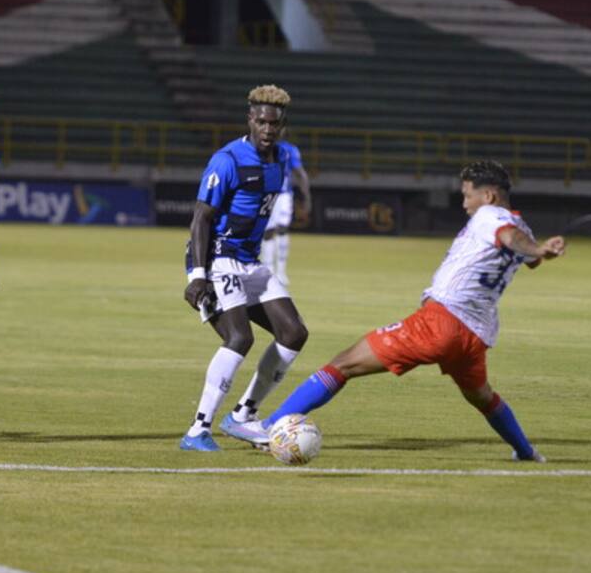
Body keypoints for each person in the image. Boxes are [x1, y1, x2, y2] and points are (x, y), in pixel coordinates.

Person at [224, 160, 566, 461]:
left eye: (467, 195)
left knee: (343, 364)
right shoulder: (522, 227)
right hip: (476, 335)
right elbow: (528, 254)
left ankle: (268, 428)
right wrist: (541, 249)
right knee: (483, 396)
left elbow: (509, 238)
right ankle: (526, 451)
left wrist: (535, 248)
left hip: (441, 322)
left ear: (489, 196)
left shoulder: (492, 217)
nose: (464, 204)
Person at [181, 84, 309, 451]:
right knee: (239, 338)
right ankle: (197, 431)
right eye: (262, 122)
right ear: (249, 120)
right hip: (218, 258)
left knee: (294, 333)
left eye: (275, 124)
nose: (268, 130)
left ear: (283, 125)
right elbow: (201, 219)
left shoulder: (282, 158)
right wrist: (197, 276)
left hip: (251, 262)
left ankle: (242, 415)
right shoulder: (227, 159)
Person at [259, 128, 310, 286]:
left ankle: (281, 272)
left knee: (282, 229)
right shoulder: (262, 148)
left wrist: (307, 195)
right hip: (268, 194)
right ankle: (268, 270)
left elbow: (300, 173)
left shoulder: (290, 149)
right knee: (268, 232)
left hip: (284, 195)